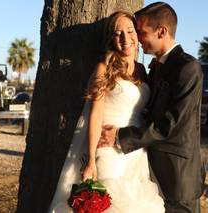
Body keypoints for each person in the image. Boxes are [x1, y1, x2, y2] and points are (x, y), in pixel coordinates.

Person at [48, 10, 165, 213]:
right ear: (111, 39)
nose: (125, 38)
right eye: (118, 33)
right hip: (108, 150)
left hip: (135, 151)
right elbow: (95, 115)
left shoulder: (142, 71)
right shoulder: (104, 68)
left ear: (137, 35)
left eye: (130, 31)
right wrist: (91, 159)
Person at [98, 2, 205, 213]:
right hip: (150, 171)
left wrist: (120, 136)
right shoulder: (154, 67)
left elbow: (169, 124)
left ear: (162, 31)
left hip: (178, 175)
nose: (137, 38)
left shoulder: (188, 68)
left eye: (141, 32)